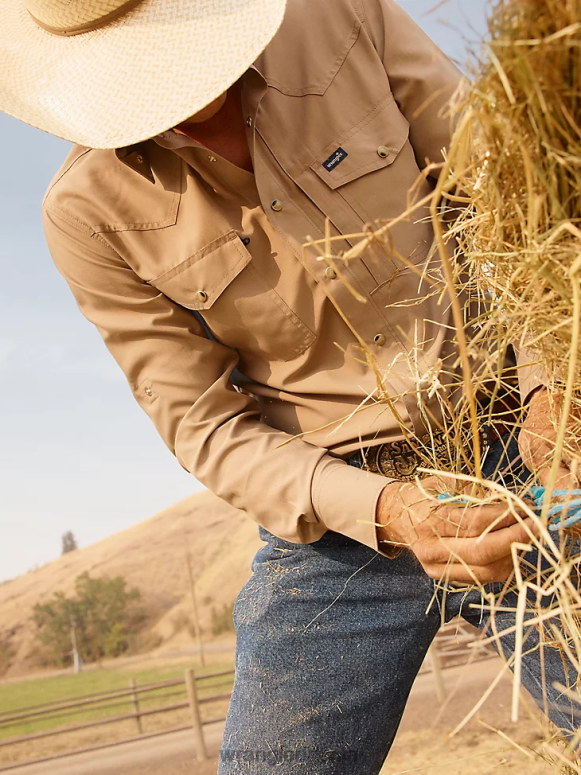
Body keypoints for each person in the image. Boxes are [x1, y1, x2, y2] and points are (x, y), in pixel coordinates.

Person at [2, 0, 578, 771]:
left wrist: (550, 389)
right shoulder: (84, 215)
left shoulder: (339, 15)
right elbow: (206, 428)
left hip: (523, 440)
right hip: (343, 523)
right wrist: (389, 510)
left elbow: (507, 199)